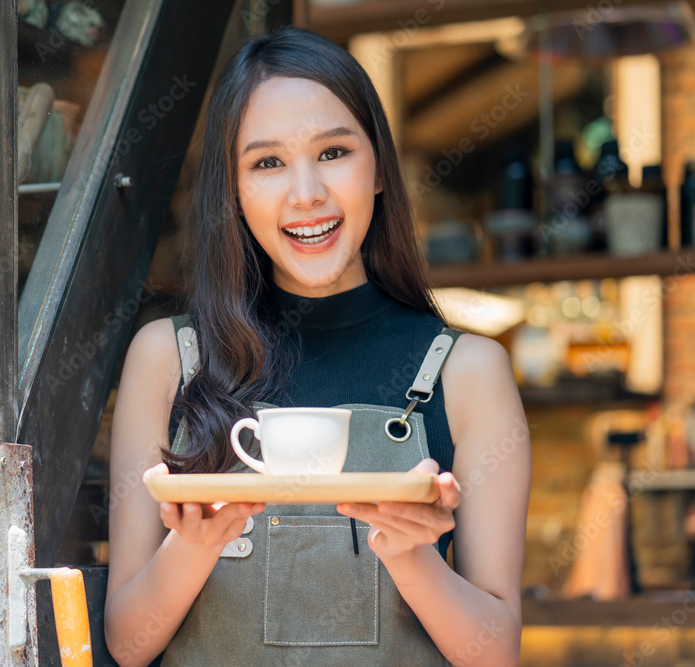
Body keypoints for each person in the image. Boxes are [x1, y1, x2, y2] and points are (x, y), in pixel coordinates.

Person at [104, 26, 530, 667]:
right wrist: (193, 545)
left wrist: (411, 557)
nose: (306, 192)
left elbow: (494, 654)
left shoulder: (468, 372)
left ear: (380, 167)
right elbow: (127, 645)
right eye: (267, 162)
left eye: (333, 152)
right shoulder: (168, 359)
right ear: (235, 191)